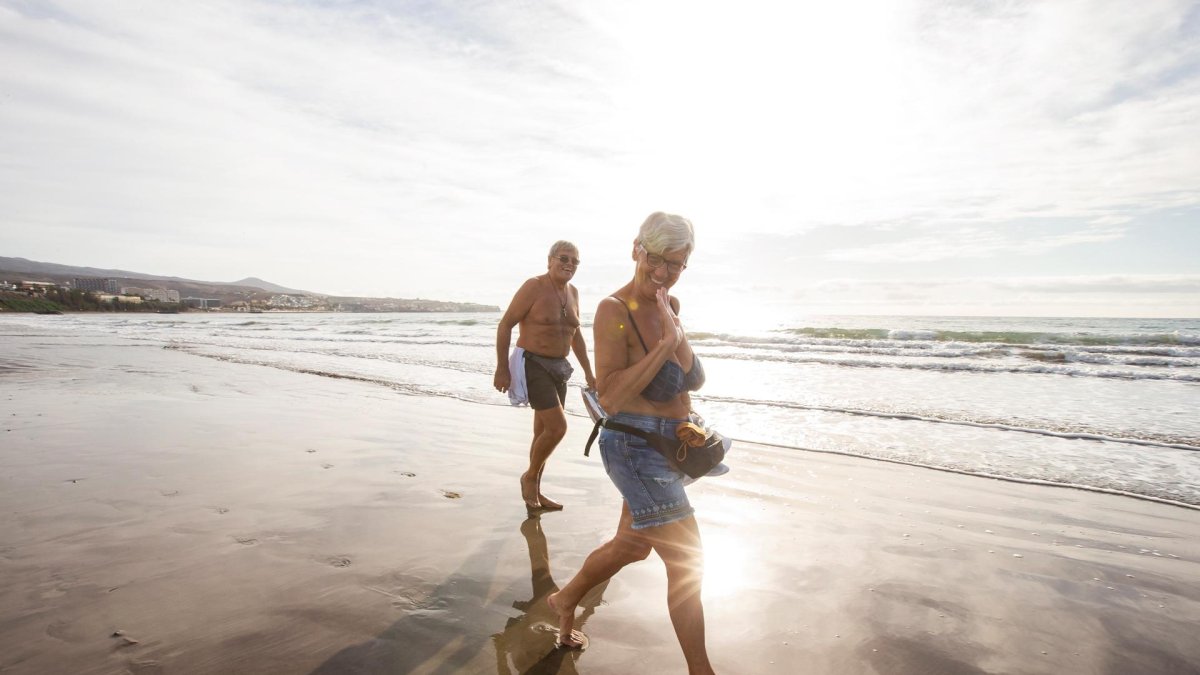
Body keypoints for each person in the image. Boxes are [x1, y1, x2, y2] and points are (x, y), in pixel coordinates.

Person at [547, 213, 715, 673]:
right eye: (656, 259)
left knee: (632, 544)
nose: (663, 273)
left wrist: (674, 333)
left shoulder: (669, 303)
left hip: (671, 446)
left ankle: (565, 600)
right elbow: (612, 395)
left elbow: (694, 380)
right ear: (636, 249)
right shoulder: (612, 310)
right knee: (687, 561)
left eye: (675, 264)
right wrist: (663, 345)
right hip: (634, 447)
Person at [495, 240, 596, 511]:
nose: (569, 265)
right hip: (533, 363)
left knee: (542, 432)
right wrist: (502, 368)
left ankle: (535, 492)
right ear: (550, 260)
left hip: (559, 367)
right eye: (564, 259)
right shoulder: (534, 287)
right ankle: (529, 478)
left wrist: (590, 372)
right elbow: (505, 324)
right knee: (557, 428)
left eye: (575, 261)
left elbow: (576, 337)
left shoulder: (573, 292)